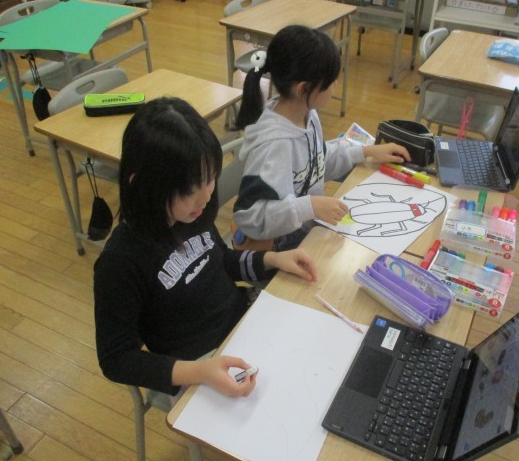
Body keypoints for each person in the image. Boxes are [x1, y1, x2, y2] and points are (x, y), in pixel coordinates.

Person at [94, 97, 317, 400]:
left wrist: (272, 259)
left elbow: (220, 261)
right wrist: (199, 372)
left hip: (242, 327)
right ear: (141, 183)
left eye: (210, 179)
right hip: (196, 367)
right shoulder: (120, 262)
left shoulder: (191, 213)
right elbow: (116, 359)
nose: (205, 197)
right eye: (189, 189)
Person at [233, 25, 412, 251]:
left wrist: (365, 152)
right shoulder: (274, 146)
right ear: (303, 89)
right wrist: (310, 206)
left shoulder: (307, 115)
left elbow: (316, 164)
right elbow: (250, 217)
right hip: (281, 246)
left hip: (308, 229)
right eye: (330, 82)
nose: (335, 86)